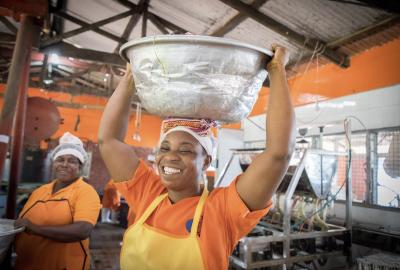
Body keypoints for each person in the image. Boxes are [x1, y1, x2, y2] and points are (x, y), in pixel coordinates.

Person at [98, 44, 295, 270]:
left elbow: (279, 154)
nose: (170, 157)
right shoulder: (147, 194)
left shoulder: (223, 210)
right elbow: (108, 141)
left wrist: (277, 70)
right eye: (164, 148)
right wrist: (132, 76)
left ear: (206, 161)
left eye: (185, 150)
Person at [14, 132, 101, 270]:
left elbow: (82, 230)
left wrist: (34, 229)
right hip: (27, 264)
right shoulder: (40, 191)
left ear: (80, 167)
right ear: (54, 163)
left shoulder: (85, 192)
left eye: (72, 161)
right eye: (60, 160)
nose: (64, 164)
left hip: (62, 266)